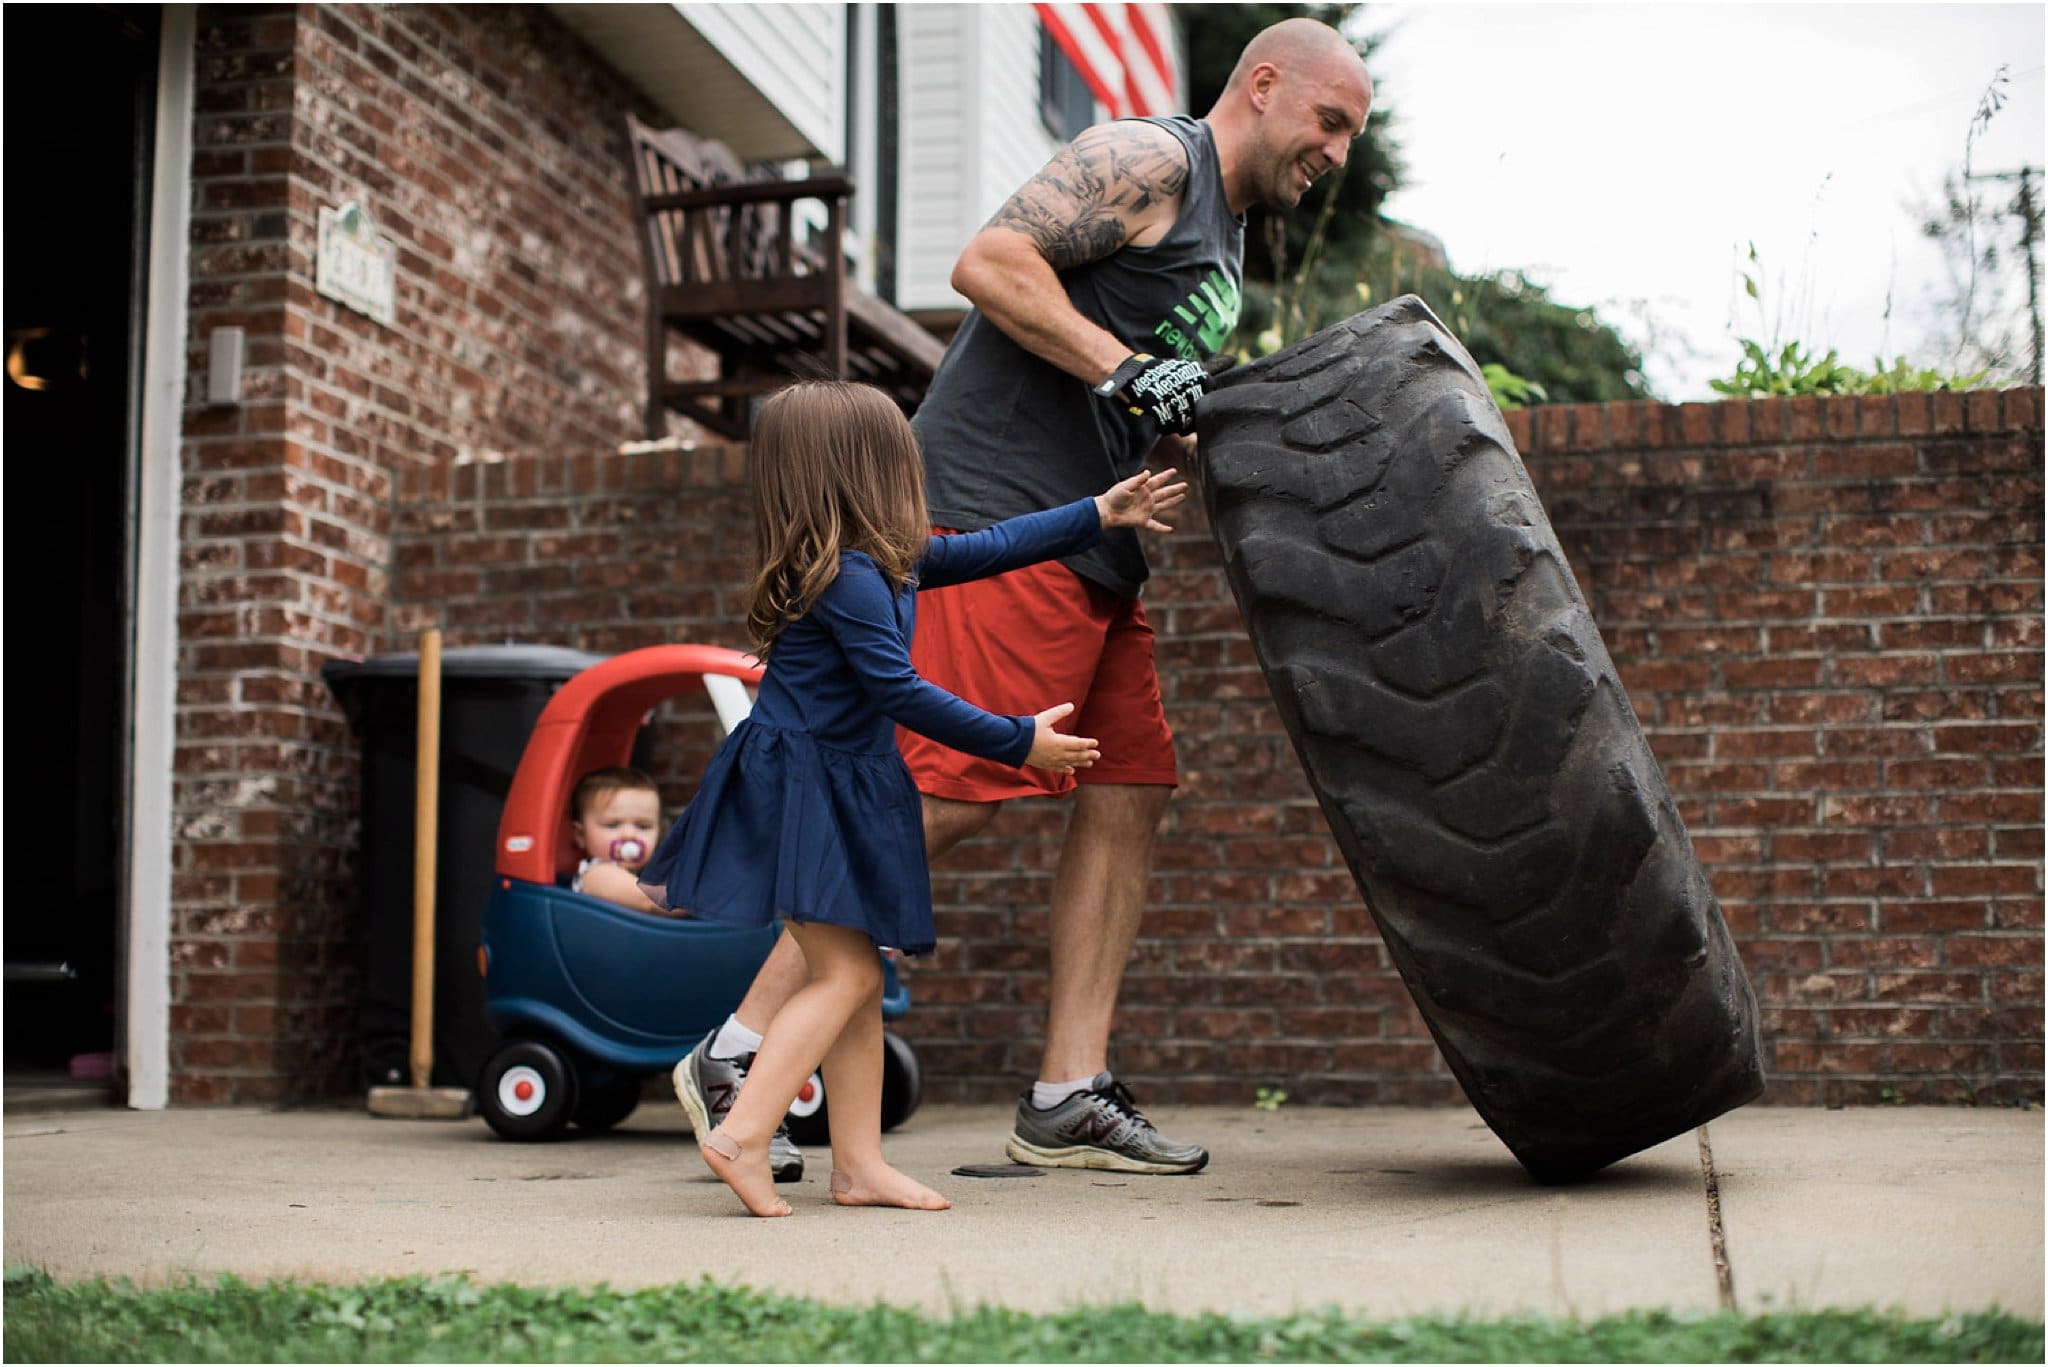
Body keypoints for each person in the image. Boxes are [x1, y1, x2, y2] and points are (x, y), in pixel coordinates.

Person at [675, 17, 1374, 1181]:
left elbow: (1139, 382)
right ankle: (737, 1051)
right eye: (1329, 123)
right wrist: (1123, 368)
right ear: (1262, 86)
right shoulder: (1152, 160)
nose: (1337, 153)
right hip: (994, 518)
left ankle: (1065, 1090)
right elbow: (990, 263)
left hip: (1094, 540)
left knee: (1127, 785)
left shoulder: (1228, 235)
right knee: (939, 793)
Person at [636, 379, 1188, 1216]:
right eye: (903, 456)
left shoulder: (880, 561)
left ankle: (857, 1165)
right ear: (869, 470)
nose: (917, 472)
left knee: (854, 972)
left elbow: (993, 545)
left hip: (832, 788)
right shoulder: (849, 579)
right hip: (810, 794)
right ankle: (743, 1129)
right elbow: (901, 691)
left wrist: (1096, 514)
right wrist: (1017, 739)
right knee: (848, 974)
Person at [565, 766, 672, 917]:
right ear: (580, 835)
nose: (629, 835)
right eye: (612, 825)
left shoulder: (645, 874)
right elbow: (649, 901)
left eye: (643, 826)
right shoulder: (596, 873)